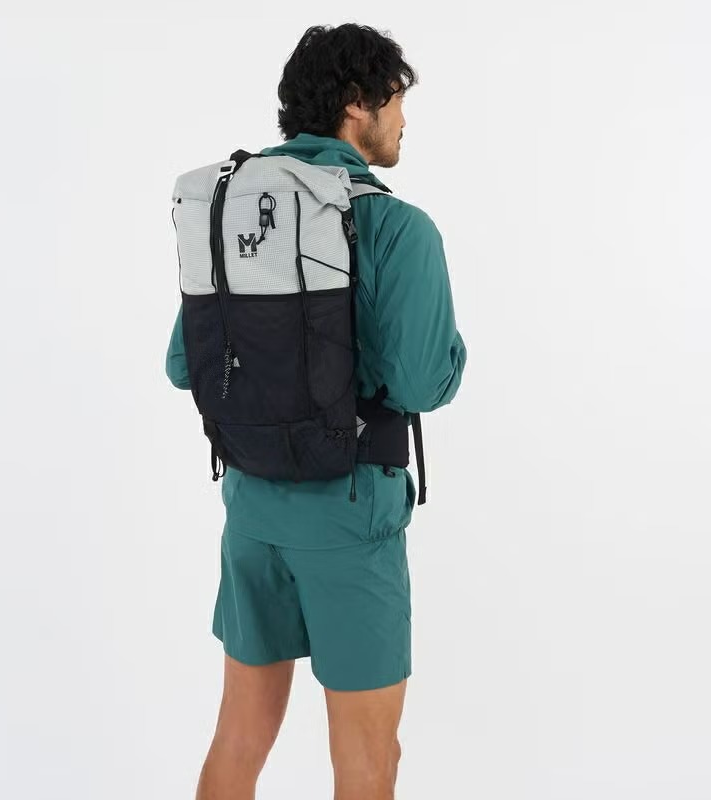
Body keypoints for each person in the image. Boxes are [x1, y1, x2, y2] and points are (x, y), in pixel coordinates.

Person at [166, 23, 467, 800]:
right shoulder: (398, 227)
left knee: (238, 739)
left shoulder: (234, 212)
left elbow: (183, 365)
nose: (404, 118)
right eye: (396, 99)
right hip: (350, 514)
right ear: (357, 104)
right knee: (368, 761)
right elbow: (420, 384)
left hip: (251, 509)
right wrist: (453, 356)